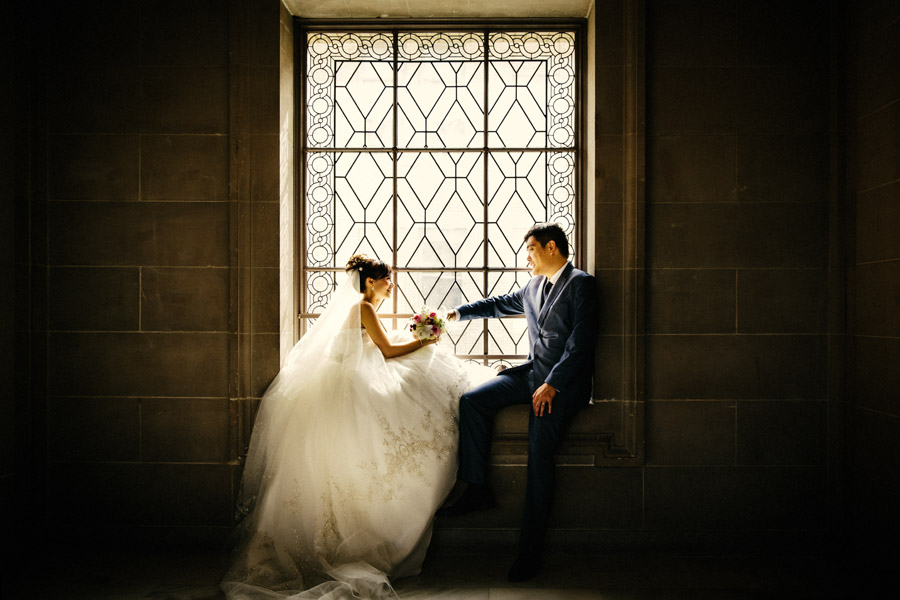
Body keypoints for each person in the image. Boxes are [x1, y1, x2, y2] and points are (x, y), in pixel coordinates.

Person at [221, 255, 495, 600]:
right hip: (354, 386)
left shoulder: (361, 308)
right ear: (369, 283)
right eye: (386, 279)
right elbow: (389, 350)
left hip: (346, 381)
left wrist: (418, 336)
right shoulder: (363, 306)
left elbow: (377, 345)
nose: (391, 285)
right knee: (423, 370)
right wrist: (426, 340)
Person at [438, 222, 598, 582]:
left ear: (551, 247)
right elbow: (499, 305)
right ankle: (477, 487)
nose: (526, 257)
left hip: (562, 387)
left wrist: (554, 384)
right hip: (529, 375)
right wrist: (458, 313)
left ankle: (530, 553)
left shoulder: (582, 284)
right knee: (472, 402)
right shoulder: (533, 286)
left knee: (538, 456)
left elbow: (580, 344)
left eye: (530, 250)